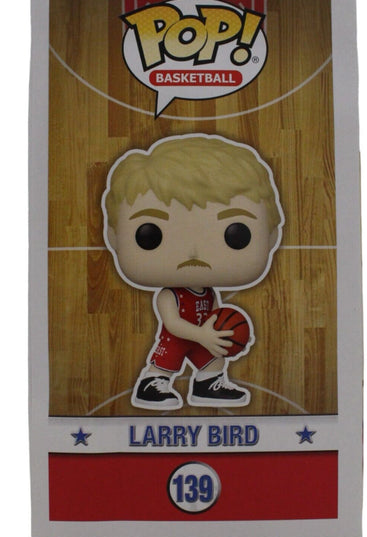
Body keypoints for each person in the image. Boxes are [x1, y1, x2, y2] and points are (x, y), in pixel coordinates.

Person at [102, 134, 283, 409]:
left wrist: (228, 335)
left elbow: (215, 315)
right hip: (178, 339)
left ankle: (208, 384)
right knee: (165, 363)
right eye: (150, 235)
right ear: (113, 237)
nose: (194, 252)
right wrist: (204, 336)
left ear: (271, 237)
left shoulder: (208, 292)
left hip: (203, 338)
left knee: (214, 360)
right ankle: (152, 384)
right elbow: (173, 324)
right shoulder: (168, 296)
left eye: (236, 234)